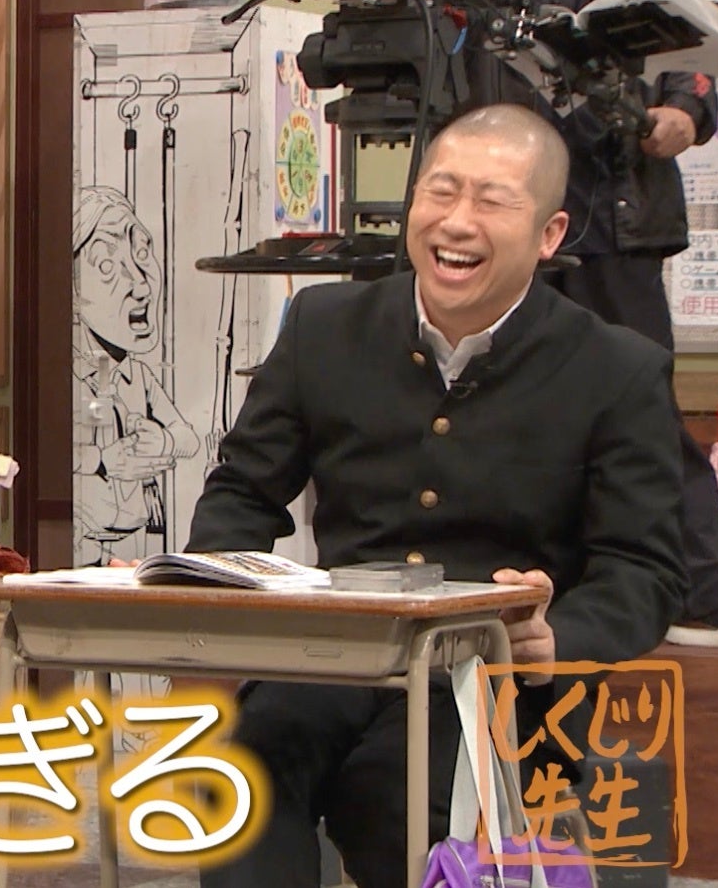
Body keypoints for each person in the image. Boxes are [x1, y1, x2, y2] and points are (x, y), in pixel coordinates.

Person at [187, 104, 687, 888]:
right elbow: (244, 491)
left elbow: (645, 570)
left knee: (395, 797)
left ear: (550, 234)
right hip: (335, 659)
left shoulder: (618, 369)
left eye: (492, 201)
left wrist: (557, 635)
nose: (456, 223)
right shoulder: (324, 325)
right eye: (440, 192)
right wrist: (208, 589)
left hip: (497, 683)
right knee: (240, 779)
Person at [500, 0, 718, 642]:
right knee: (515, 408)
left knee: (645, 407)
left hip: (618, 215)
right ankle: (541, 589)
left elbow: (692, 61)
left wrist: (684, 115)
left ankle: (706, 591)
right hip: (516, 213)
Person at [71, 186, 200, 562]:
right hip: (80, 545)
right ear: (72, 289)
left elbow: (188, 438)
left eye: (142, 253)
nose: (141, 285)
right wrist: (104, 460)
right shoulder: (68, 375)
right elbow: (47, 457)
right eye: (107, 266)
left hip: (137, 544)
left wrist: (162, 442)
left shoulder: (136, 376)